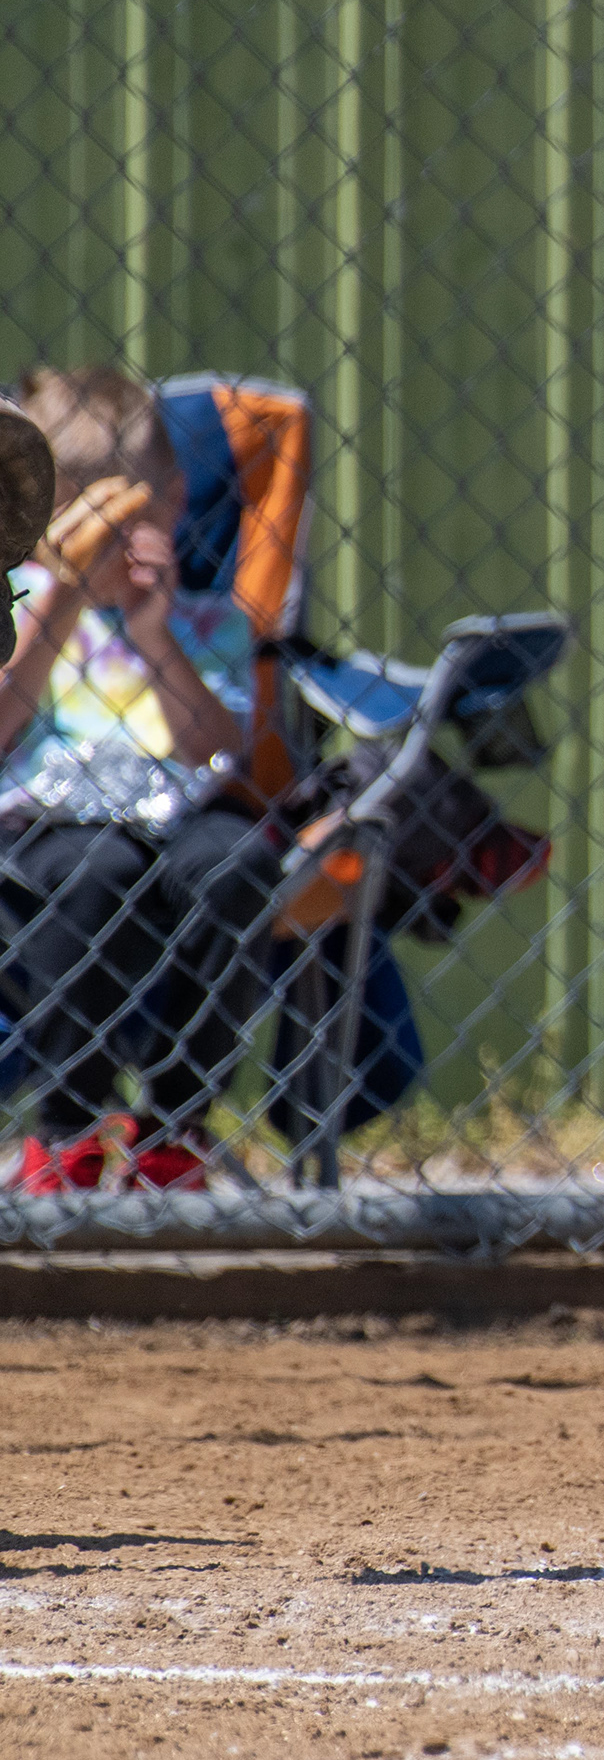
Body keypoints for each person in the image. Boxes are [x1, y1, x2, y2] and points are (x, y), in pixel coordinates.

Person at [0, 366, 282, 1192]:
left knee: (238, 864)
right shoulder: (23, 605)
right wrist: (63, 604)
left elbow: (215, 750)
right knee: (96, 873)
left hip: (182, 810)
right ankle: (70, 1126)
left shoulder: (207, 617)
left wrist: (156, 635)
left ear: (174, 500)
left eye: (133, 509)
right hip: (52, 823)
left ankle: (175, 1121)